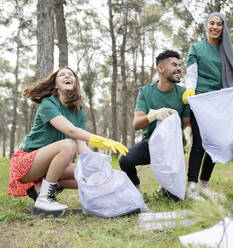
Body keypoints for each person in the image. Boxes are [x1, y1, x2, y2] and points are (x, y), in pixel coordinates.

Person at [8, 67, 128, 216]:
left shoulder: (78, 112)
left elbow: (82, 147)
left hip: (49, 168)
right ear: (56, 85)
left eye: (71, 75)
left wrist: (98, 164)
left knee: (92, 175)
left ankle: (41, 189)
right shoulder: (48, 104)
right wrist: (101, 141)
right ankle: (45, 199)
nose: (67, 76)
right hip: (26, 164)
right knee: (68, 144)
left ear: (75, 83)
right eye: (62, 75)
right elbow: (71, 131)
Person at [182, 12, 233, 201]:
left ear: (223, 28)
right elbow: (192, 74)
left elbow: (232, 74)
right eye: (211, 23)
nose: (215, 27)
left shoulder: (227, 49)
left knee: (217, 142)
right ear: (206, 26)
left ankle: (204, 184)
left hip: (220, 100)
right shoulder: (196, 47)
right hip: (201, 100)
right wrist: (189, 90)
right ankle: (192, 186)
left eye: (219, 24)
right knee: (200, 143)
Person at [118, 50, 192, 197]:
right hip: (151, 144)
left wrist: (188, 135)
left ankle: (165, 187)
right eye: (174, 64)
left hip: (172, 150)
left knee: (173, 197)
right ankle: (135, 190)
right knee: (125, 159)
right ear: (161, 69)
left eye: (179, 65)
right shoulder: (146, 92)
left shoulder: (184, 94)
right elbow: (136, 124)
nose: (179, 68)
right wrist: (153, 116)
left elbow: (186, 124)